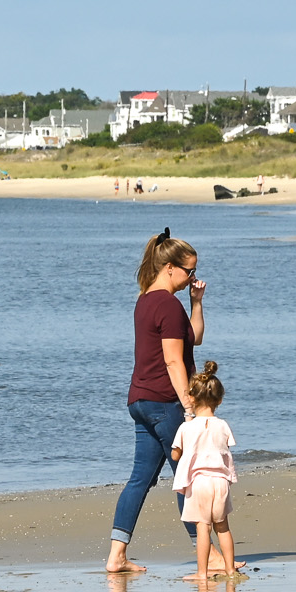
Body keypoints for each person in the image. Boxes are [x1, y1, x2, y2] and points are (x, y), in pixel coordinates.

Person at [106, 230, 205, 573]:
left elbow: (196, 339)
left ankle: (116, 556)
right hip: (165, 403)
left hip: (140, 400)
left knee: (141, 479)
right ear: (169, 268)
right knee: (187, 477)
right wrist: (189, 407)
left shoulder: (146, 300)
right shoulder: (165, 304)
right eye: (189, 271)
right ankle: (209, 557)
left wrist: (196, 302)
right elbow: (174, 361)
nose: (192, 276)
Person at [171, 362, 241, 580]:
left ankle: (202, 573)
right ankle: (229, 569)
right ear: (219, 400)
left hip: (199, 483)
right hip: (219, 482)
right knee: (223, 527)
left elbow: (175, 455)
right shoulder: (223, 425)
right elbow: (224, 448)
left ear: (191, 398)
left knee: (203, 528)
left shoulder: (186, 427)